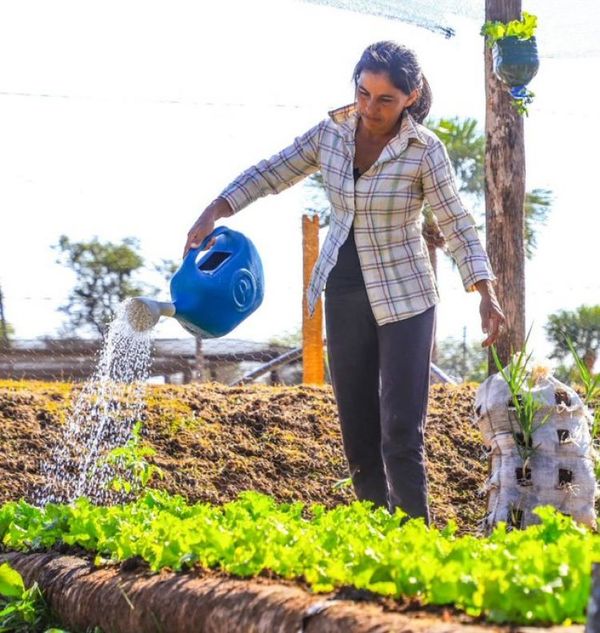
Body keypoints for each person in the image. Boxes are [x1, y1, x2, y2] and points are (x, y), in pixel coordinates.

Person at [183, 41, 506, 524]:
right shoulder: (330, 134)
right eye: (364, 94)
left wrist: (485, 291)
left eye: (385, 100)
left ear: (411, 97)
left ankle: (416, 540)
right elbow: (273, 171)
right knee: (357, 432)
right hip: (344, 291)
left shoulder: (424, 151)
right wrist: (216, 208)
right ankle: (376, 536)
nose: (370, 109)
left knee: (399, 430)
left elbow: (457, 222)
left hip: (407, 297)